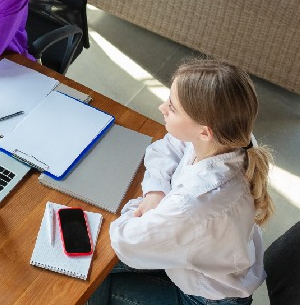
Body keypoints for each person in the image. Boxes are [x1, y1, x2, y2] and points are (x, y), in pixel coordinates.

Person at [89, 59, 274, 305]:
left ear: (204, 131)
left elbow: (127, 242)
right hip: (198, 260)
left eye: (172, 108)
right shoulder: (231, 138)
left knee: (89, 277)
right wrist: (155, 192)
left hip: (202, 297)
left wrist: (145, 209)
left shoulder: (195, 202)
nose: (161, 107)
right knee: (95, 258)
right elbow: (167, 147)